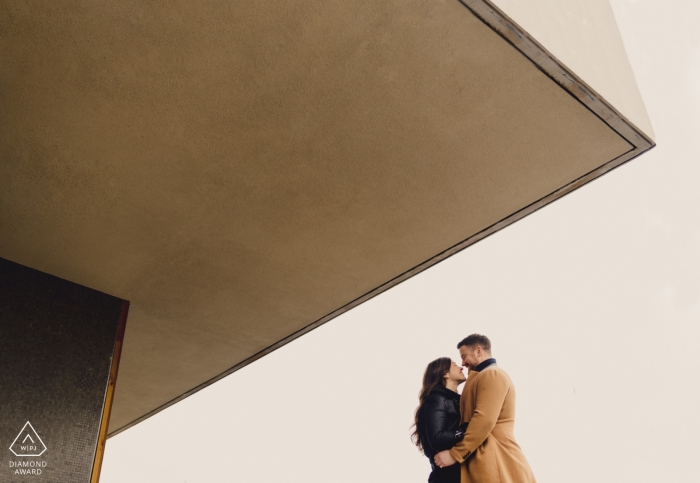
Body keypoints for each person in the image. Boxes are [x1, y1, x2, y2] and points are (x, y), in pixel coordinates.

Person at [434, 334, 537, 483]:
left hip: (498, 459)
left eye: (464, 356)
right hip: (485, 459)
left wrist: (455, 454)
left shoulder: (492, 375)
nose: (462, 363)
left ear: (478, 351)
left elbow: (484, 420)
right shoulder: (481, 376)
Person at [412, 357, 468, 483]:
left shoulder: (456, 400)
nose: (461, 367)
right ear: (445, 374)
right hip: (446, 477)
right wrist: (466, 429)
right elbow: (437, 438)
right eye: (454, 365)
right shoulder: (436, 399)